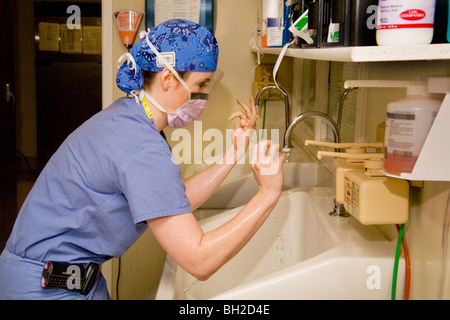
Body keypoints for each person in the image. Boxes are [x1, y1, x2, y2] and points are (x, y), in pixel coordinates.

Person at [0, 19, 286, 300]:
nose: (204, 96)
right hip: (43, 287)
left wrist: (235, 152)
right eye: (202, 83)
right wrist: (268, 194)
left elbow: (172, 199)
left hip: (75, 278)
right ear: (168, 79)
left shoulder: (131, 118)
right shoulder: (141, 146)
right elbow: (199, 260)